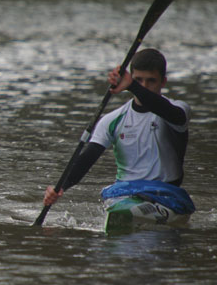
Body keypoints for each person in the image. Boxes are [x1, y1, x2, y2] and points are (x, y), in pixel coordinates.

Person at [43, 48, 193, 216]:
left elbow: (172, 114)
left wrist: (132, 85)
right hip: (125, 195)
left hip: (166, 196)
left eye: (151, 81)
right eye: (138, 80)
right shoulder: (112, 120)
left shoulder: (178, 111)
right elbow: (87, 158)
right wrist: (60, 187)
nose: (144, 86)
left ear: (163, 82)